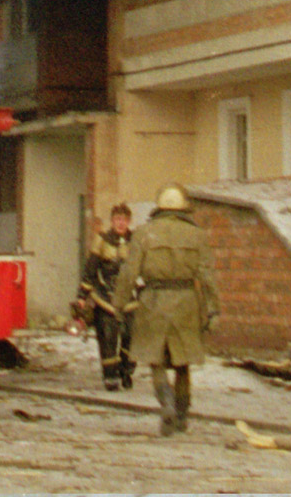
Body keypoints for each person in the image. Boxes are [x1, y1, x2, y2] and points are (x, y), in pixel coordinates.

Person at [116, 184, 217, 436]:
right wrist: (213, 310)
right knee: (183, 362)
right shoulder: (197, 235)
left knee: (156, 360)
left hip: (153, 302)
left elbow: (129, 273)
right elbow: (207, 277)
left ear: (159, 207)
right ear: (184, 208)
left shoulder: (143, 233)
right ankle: (182, 414)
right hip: (186, 302)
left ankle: (167, 403)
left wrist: (118, 304)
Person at [78, 204, 135, 391]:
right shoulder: (101, 241)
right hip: (105, 298)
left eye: (124, 220)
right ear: (112, 221)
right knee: (108, 337)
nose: (121, 223)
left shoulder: (135, 242)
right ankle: (110, 376)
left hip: (130, 298)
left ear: (129, 222)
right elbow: (90, 270)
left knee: (130, 336)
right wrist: (82, 296)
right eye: (117, 219)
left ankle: (125, 370)